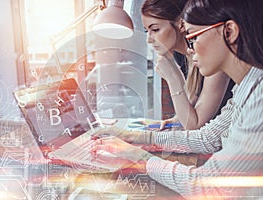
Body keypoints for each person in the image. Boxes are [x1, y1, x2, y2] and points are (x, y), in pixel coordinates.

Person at [92, 0, 263, 198]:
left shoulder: (258, 99)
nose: (189, 49)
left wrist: (138, 157)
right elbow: (205, 138)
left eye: (193, 38)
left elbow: (208, 186)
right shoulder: (246, 89)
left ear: (229, 31)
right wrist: (137, 138)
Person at [141, 0, 234, 129]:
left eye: (155, 29)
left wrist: (172, 78)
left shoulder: (212, 54)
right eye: (146, 31)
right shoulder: (180, 55)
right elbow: (190, 107)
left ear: (181, 23)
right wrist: (176, 120)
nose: (149, 39)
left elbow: (194, 124)